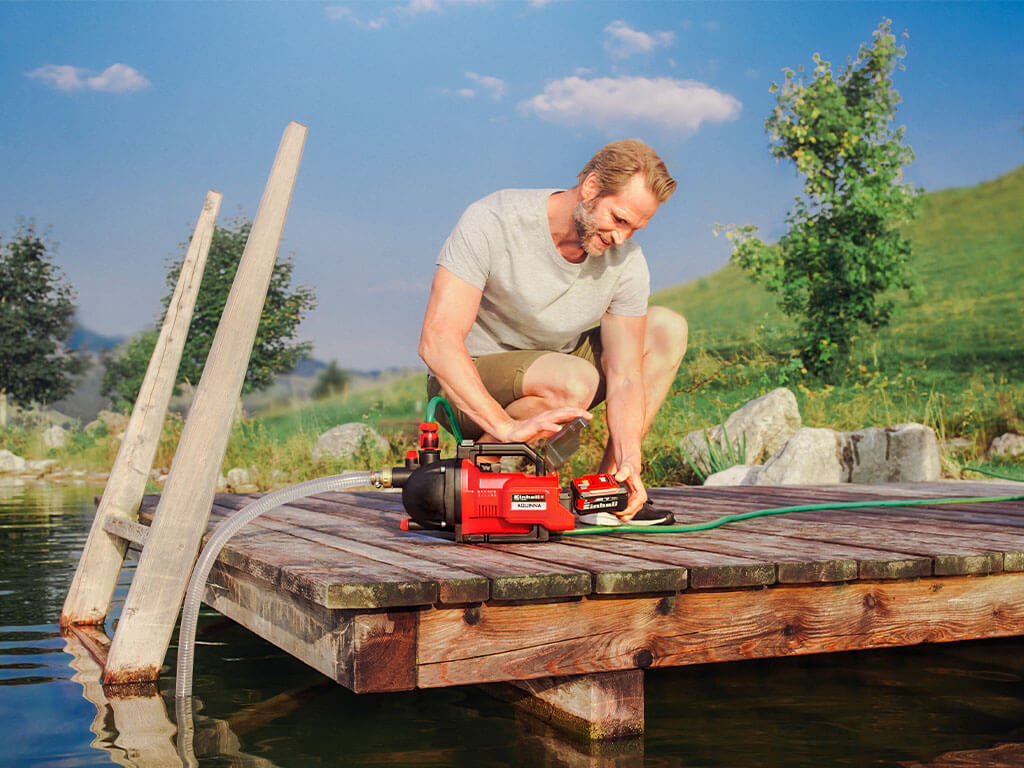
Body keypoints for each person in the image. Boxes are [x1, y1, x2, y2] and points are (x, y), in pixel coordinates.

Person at [418, 139, 688, 524]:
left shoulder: (625, 261)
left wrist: (631, 456)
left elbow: (626, 375)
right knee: (572, 380)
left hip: (556, 372)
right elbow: (437, 340)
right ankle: (476, 478)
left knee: (666, 329)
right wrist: (505, 427)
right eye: (619, 219)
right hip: (470, 382)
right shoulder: (495, 219)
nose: (621, 238)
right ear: (591, 187)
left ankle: (612, 491)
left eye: (636, 228)